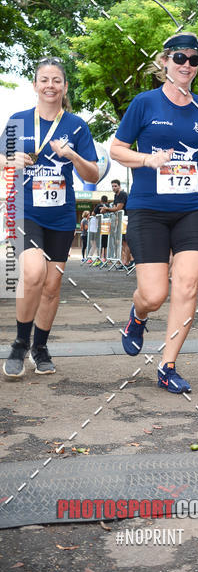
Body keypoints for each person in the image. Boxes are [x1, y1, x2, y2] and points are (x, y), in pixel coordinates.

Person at [110, 31, 198, 394]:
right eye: (179, 58)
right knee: (153, 294)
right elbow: (117, 150)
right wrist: (148, 159)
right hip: (149, 208)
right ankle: (138, 316)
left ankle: (168, 365)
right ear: (165, 61)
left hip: (193, 207)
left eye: (193, 60)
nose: (187, 65)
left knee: (187, 285)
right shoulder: (145, 103)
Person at [0, 58, 99, 378]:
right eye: (44, 79)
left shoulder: (77, 126)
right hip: (23, 210)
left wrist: (71, 154)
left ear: (65, 86)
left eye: (57, 80)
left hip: (60, 215)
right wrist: (8, 159)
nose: (50, 85)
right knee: (33, 273)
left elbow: (93, 174)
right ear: (35, 85)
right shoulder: (17, 121)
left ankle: (39, 348)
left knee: (53, 285)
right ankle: (18, 343)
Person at [101, 178, 131, 267]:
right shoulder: (116, 196)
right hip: (120, 221)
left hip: (126, 220)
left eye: (115, 186)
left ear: (119, 186)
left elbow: (118, 208)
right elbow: (114, 208)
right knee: (121, 243)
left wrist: (106, 209)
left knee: (126, 243)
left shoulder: (122, 194)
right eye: (112, 186)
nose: (113, 188)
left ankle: (128, 262)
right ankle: (124, 261)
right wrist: (108, 210)